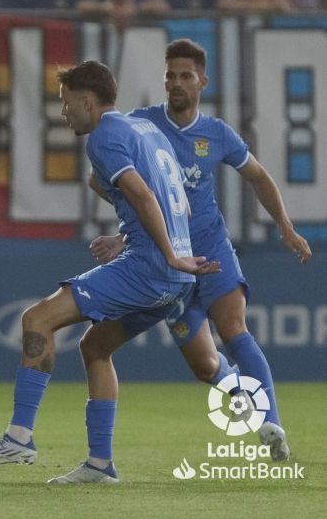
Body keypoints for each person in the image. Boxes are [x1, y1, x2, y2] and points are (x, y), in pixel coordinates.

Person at [0, 61, 219, 484]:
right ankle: (100, 465)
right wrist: (136, 239)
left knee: (36, 320)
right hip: (174, 275)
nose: (64, 113)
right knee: (96, 348)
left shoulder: (104, 136)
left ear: (87, 100)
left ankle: (19, 437)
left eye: (65, 103)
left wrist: (166, 254)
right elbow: (178, 204)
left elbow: (141, 192)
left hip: (152, 266)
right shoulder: (146, 130)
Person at [85, 39, 312, 462]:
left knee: (234, 328)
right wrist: (128, 232)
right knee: (206, 367)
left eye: (185, 76)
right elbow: (101, 179)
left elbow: (259, 177)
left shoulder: (218, 133)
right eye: (170, 76)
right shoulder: (141, 124)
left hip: (211, 248)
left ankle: (271, 425)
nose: (175, 83)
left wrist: (285, 227)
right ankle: (246, 399)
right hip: (167, 259)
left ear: (202, 82)